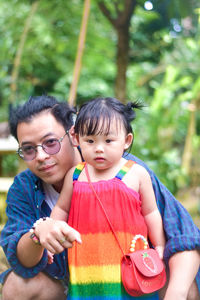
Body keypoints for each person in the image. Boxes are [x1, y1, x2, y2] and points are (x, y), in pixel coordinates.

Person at [0, 95, 199, 300]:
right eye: (29, 149)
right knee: (16, 287)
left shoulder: (130, 172)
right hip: (72, 283)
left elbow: (185, 236)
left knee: (187, 286)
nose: (41, 156)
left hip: (132, 279)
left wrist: (177, 292)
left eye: (51, 142)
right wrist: (38, 234)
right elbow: (21, 261)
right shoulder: (24, 187)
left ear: (71, 135)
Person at [50, 97, 166, 299]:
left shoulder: (136, 174)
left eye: (109, 140)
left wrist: (160, 244)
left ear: (126, 140)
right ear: (77, 139)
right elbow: (61, 210)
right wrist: (51, 235)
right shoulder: (76, 175)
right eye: (90, 141)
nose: (99, 148)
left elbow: (151, 212)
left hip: (128, 262)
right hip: (86, 264)